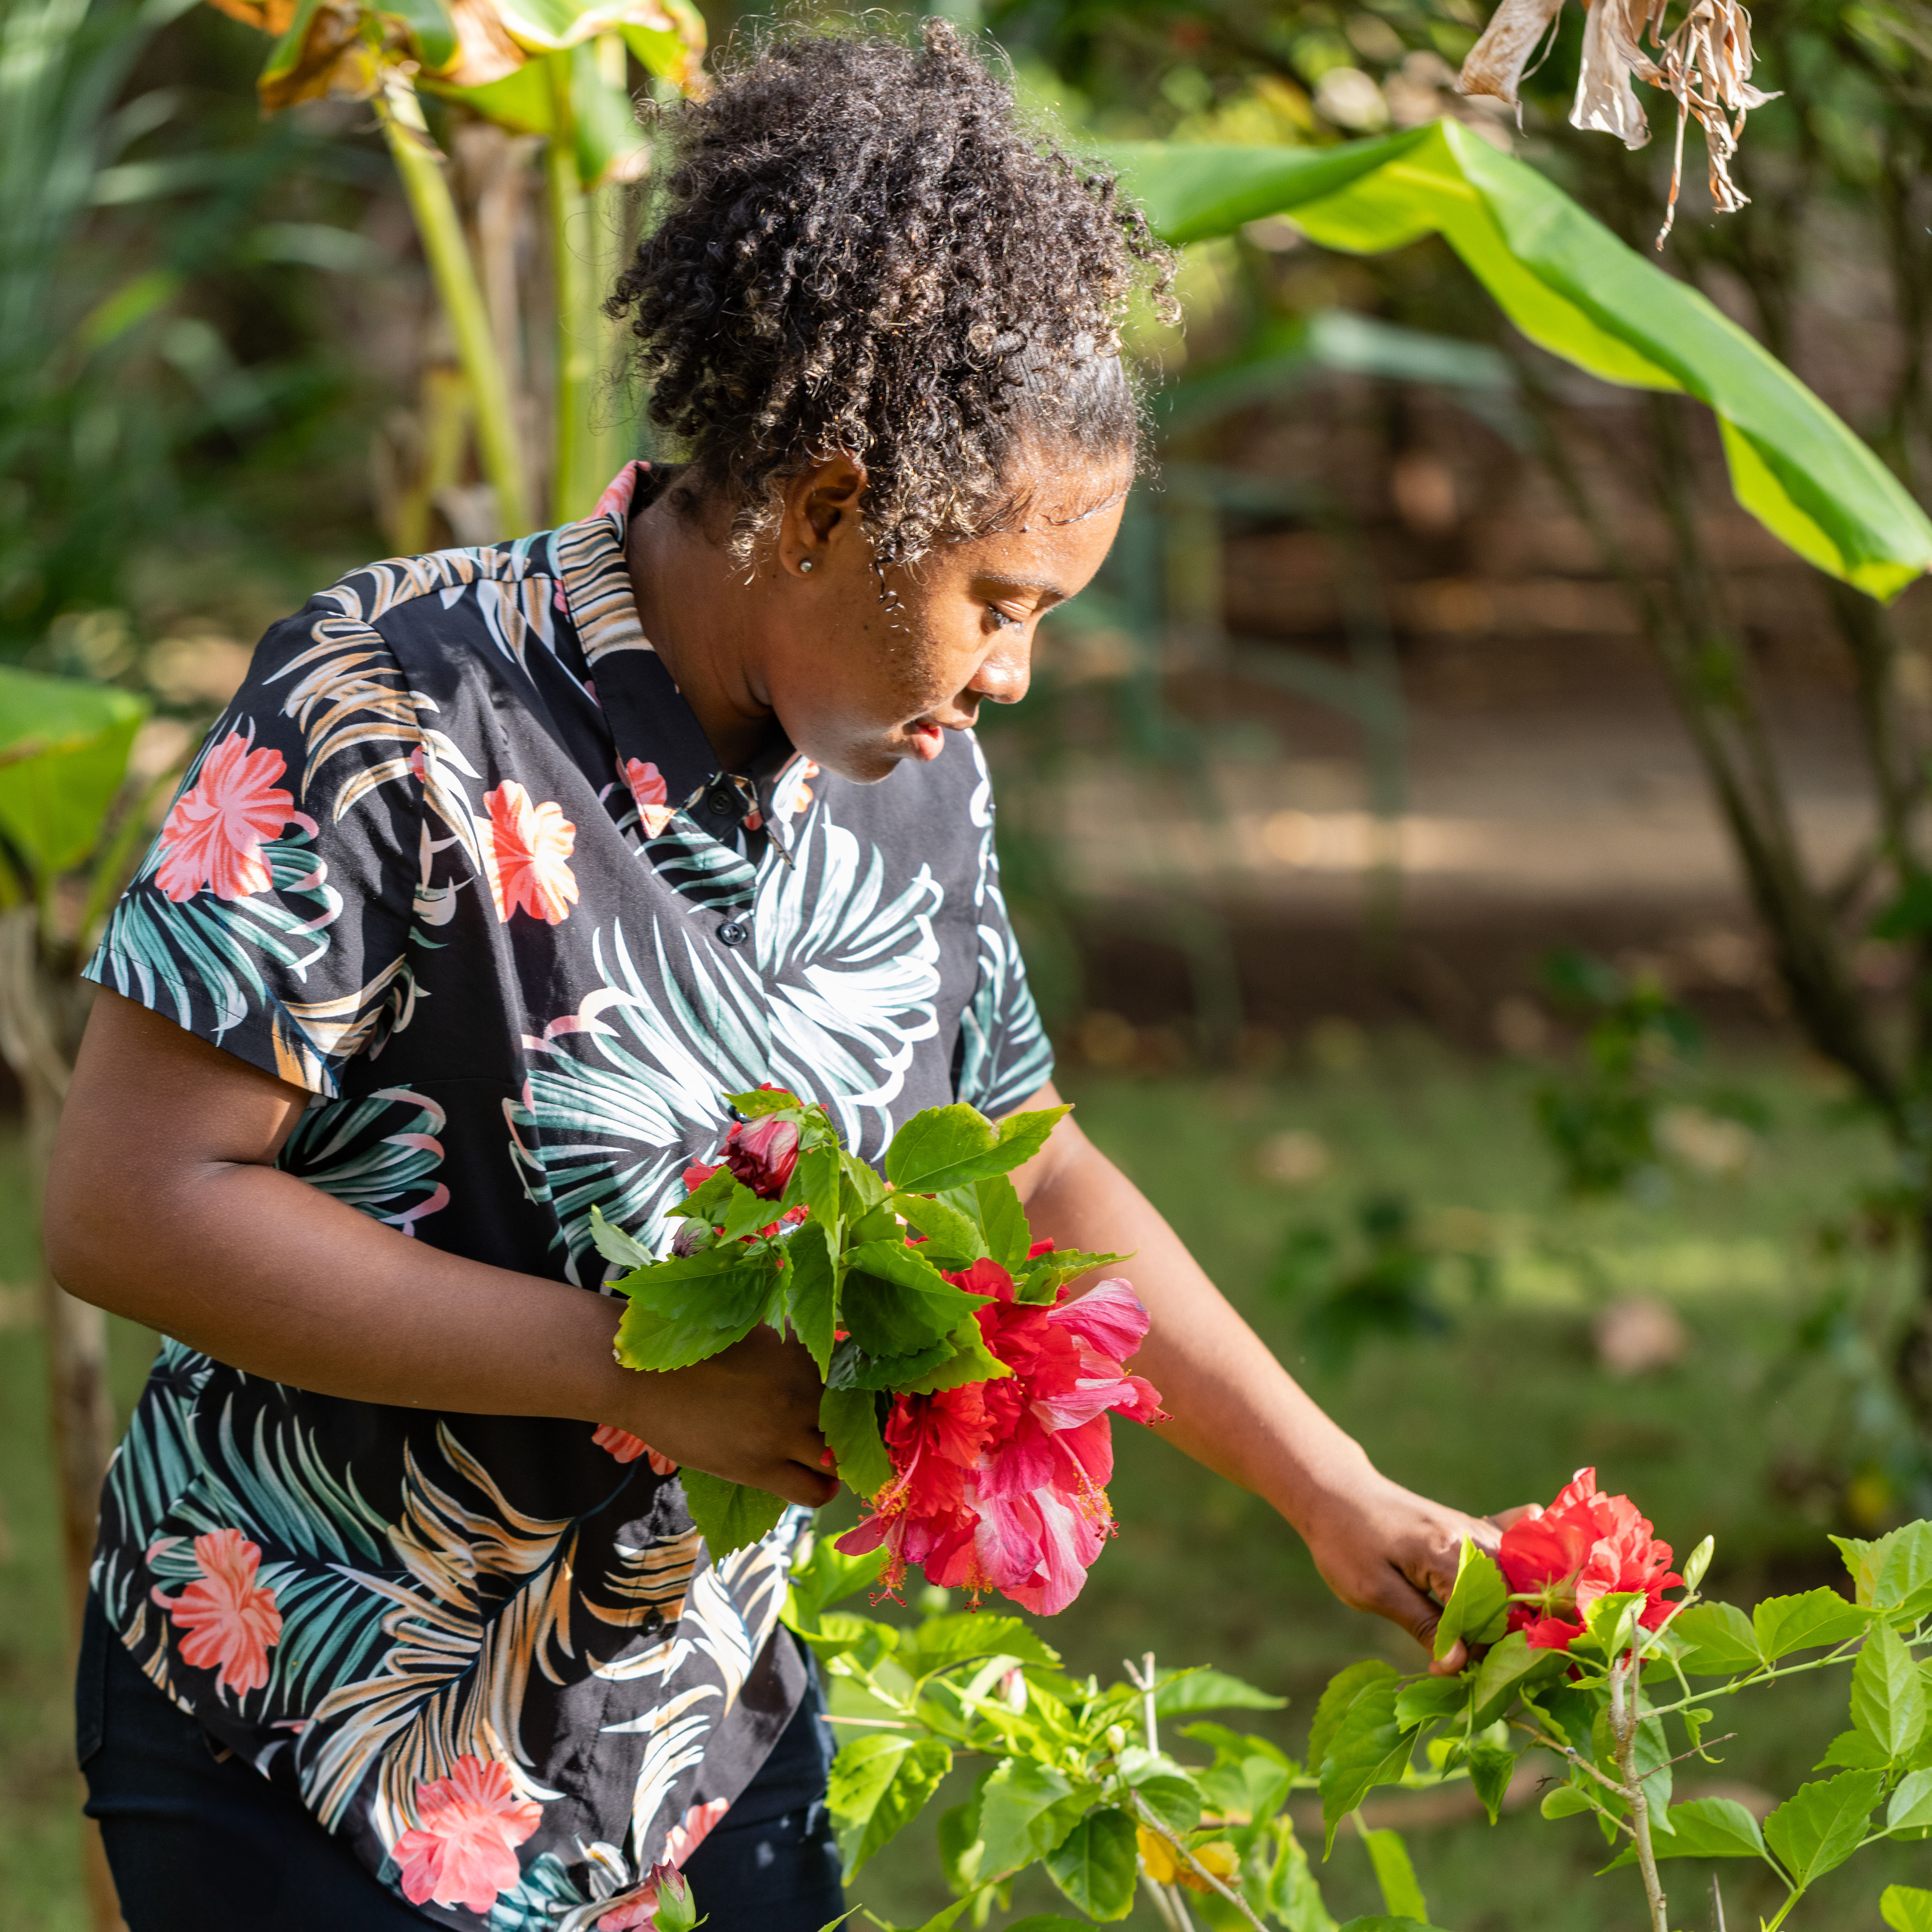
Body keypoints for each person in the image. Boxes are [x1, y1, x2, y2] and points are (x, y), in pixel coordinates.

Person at [46, 21, 1505, 1932]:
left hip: (692, 1755)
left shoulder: (909, 780)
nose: (1014, 676)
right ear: (820, 510)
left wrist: (1332, 1488)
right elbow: (127, 1207)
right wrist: (643, 1373)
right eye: (1001, 602)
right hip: (316, 1745)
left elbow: (1026, 1157)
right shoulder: (389, 700)